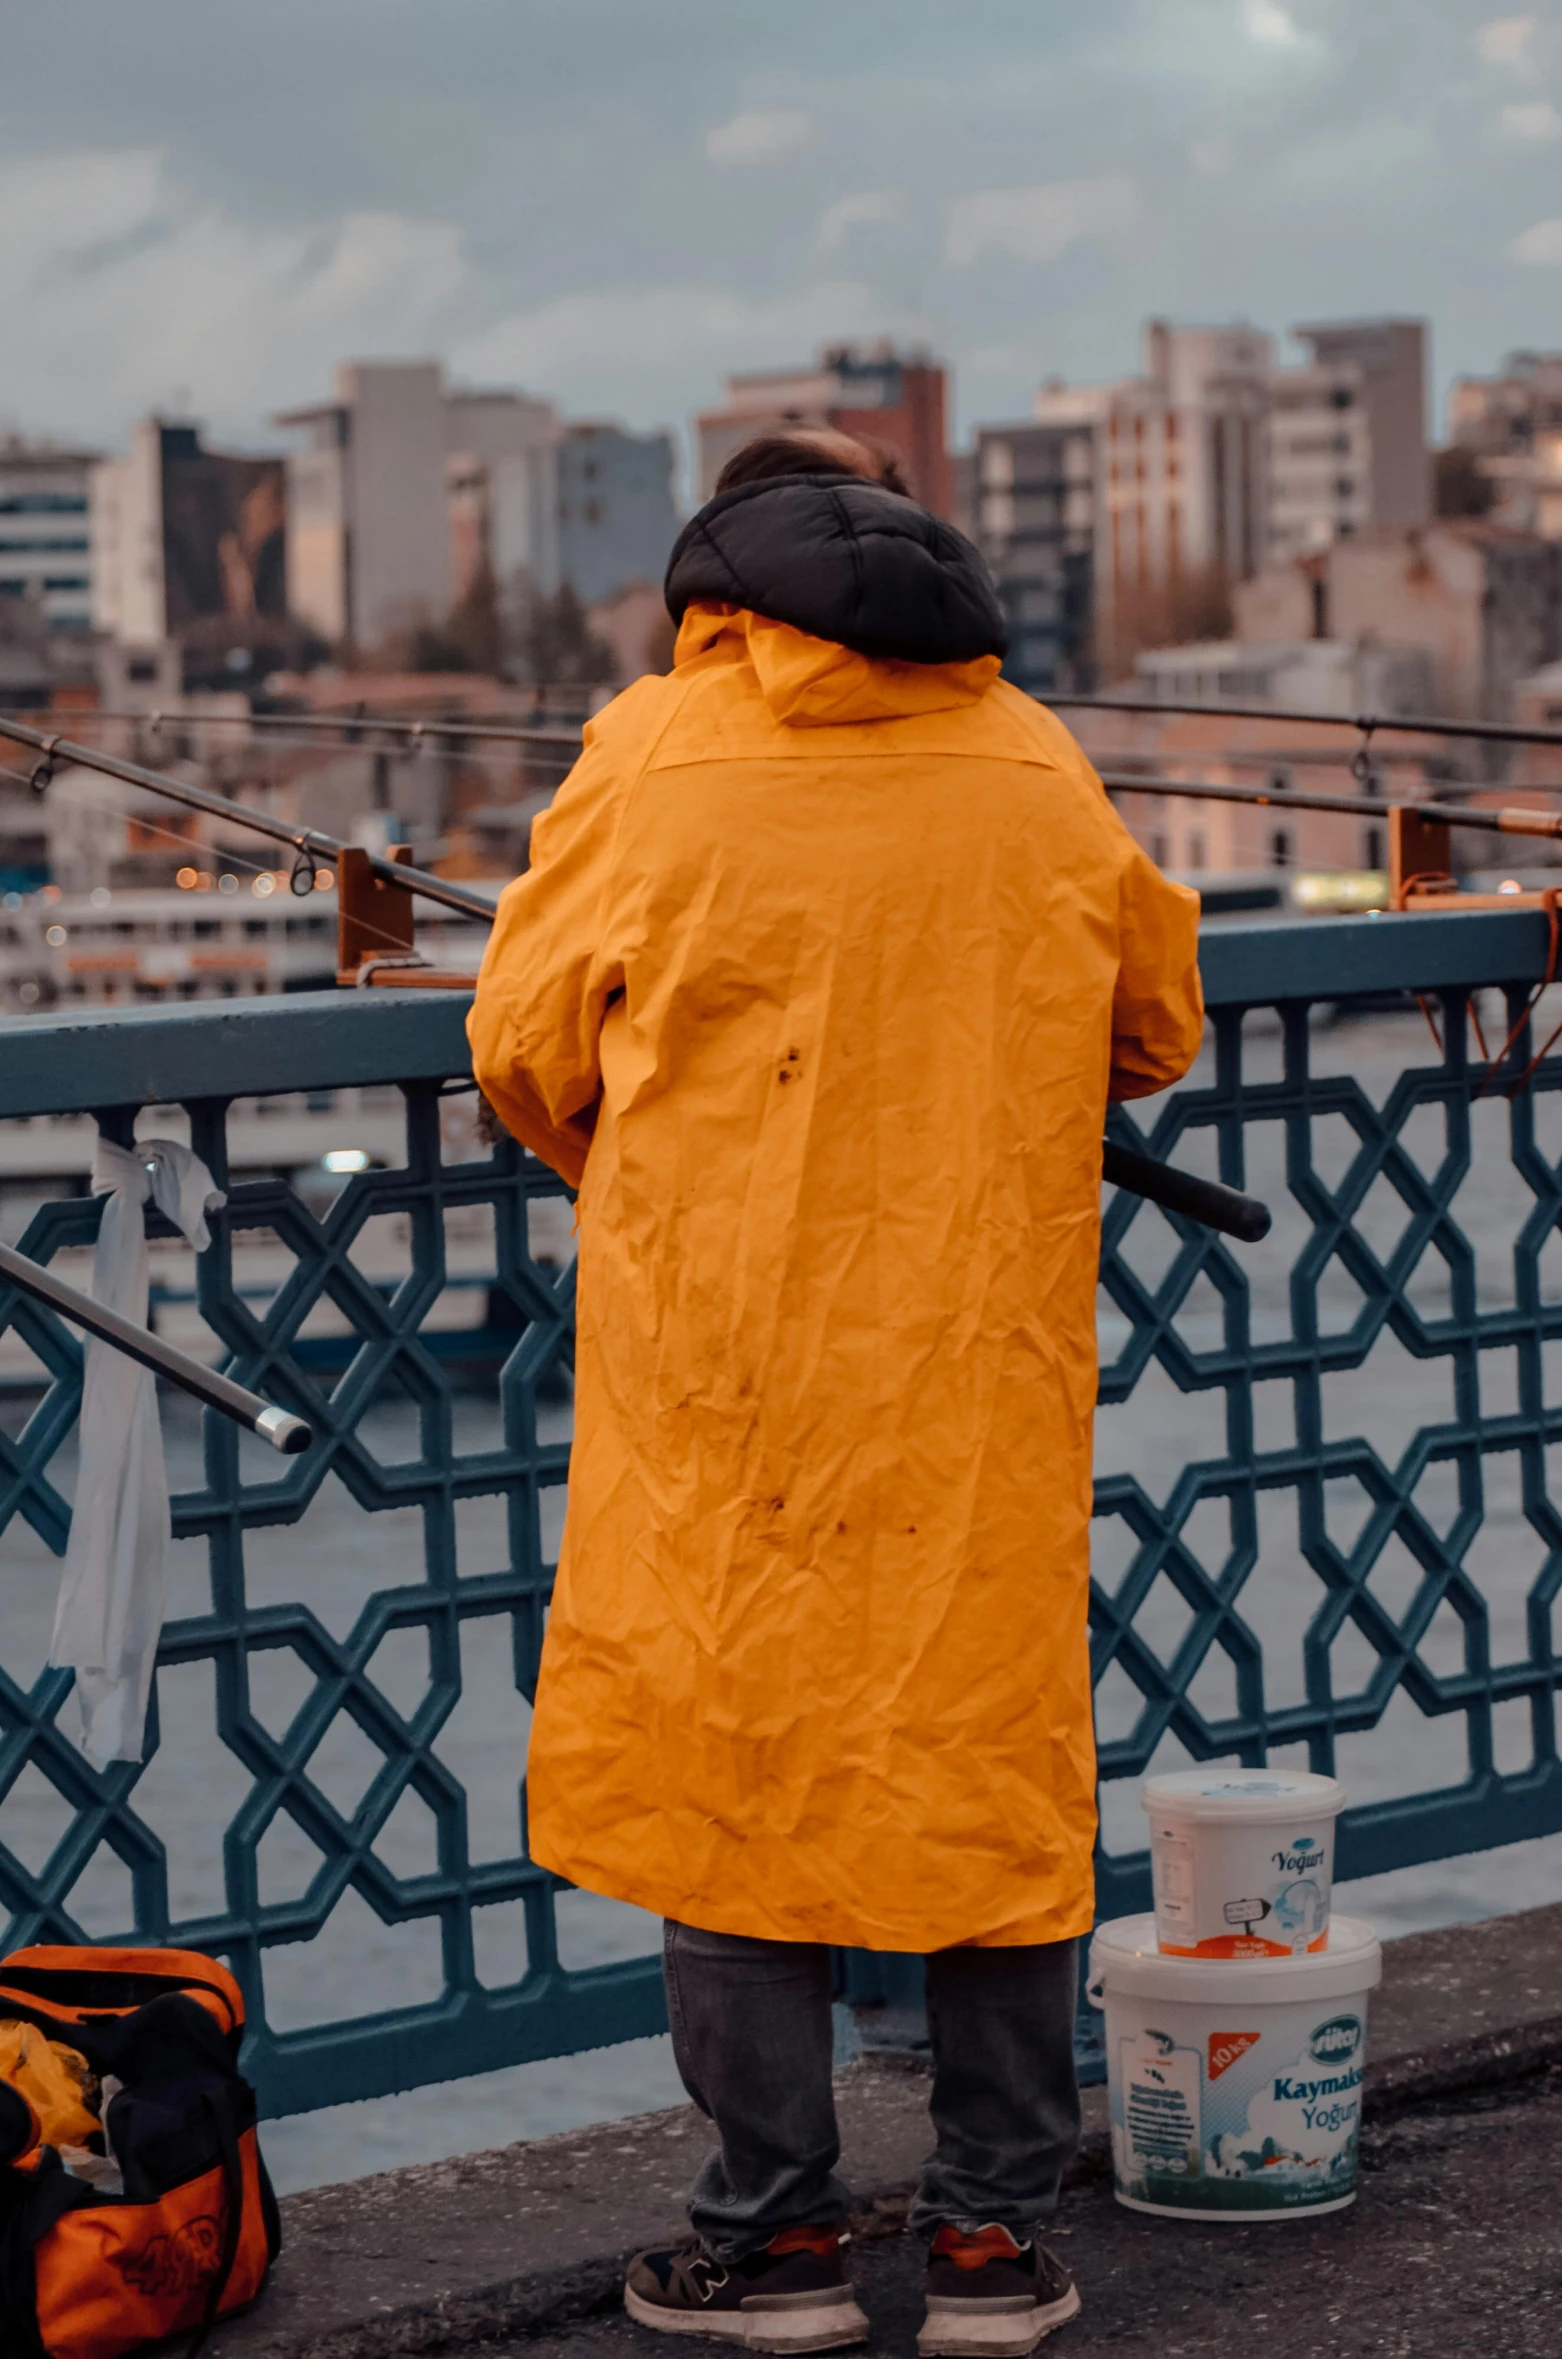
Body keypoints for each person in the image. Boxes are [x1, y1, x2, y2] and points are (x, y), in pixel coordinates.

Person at [468, 427, 1203, 2354]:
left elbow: (529, 1046)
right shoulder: (1030, 751)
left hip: (721, 1363)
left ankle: (775, 2241)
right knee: (982, 1772)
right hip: (970, 1359)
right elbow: (1152, 1020)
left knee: (731, 1778)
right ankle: (987, 2242)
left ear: (715, 588)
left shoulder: (652, 746)